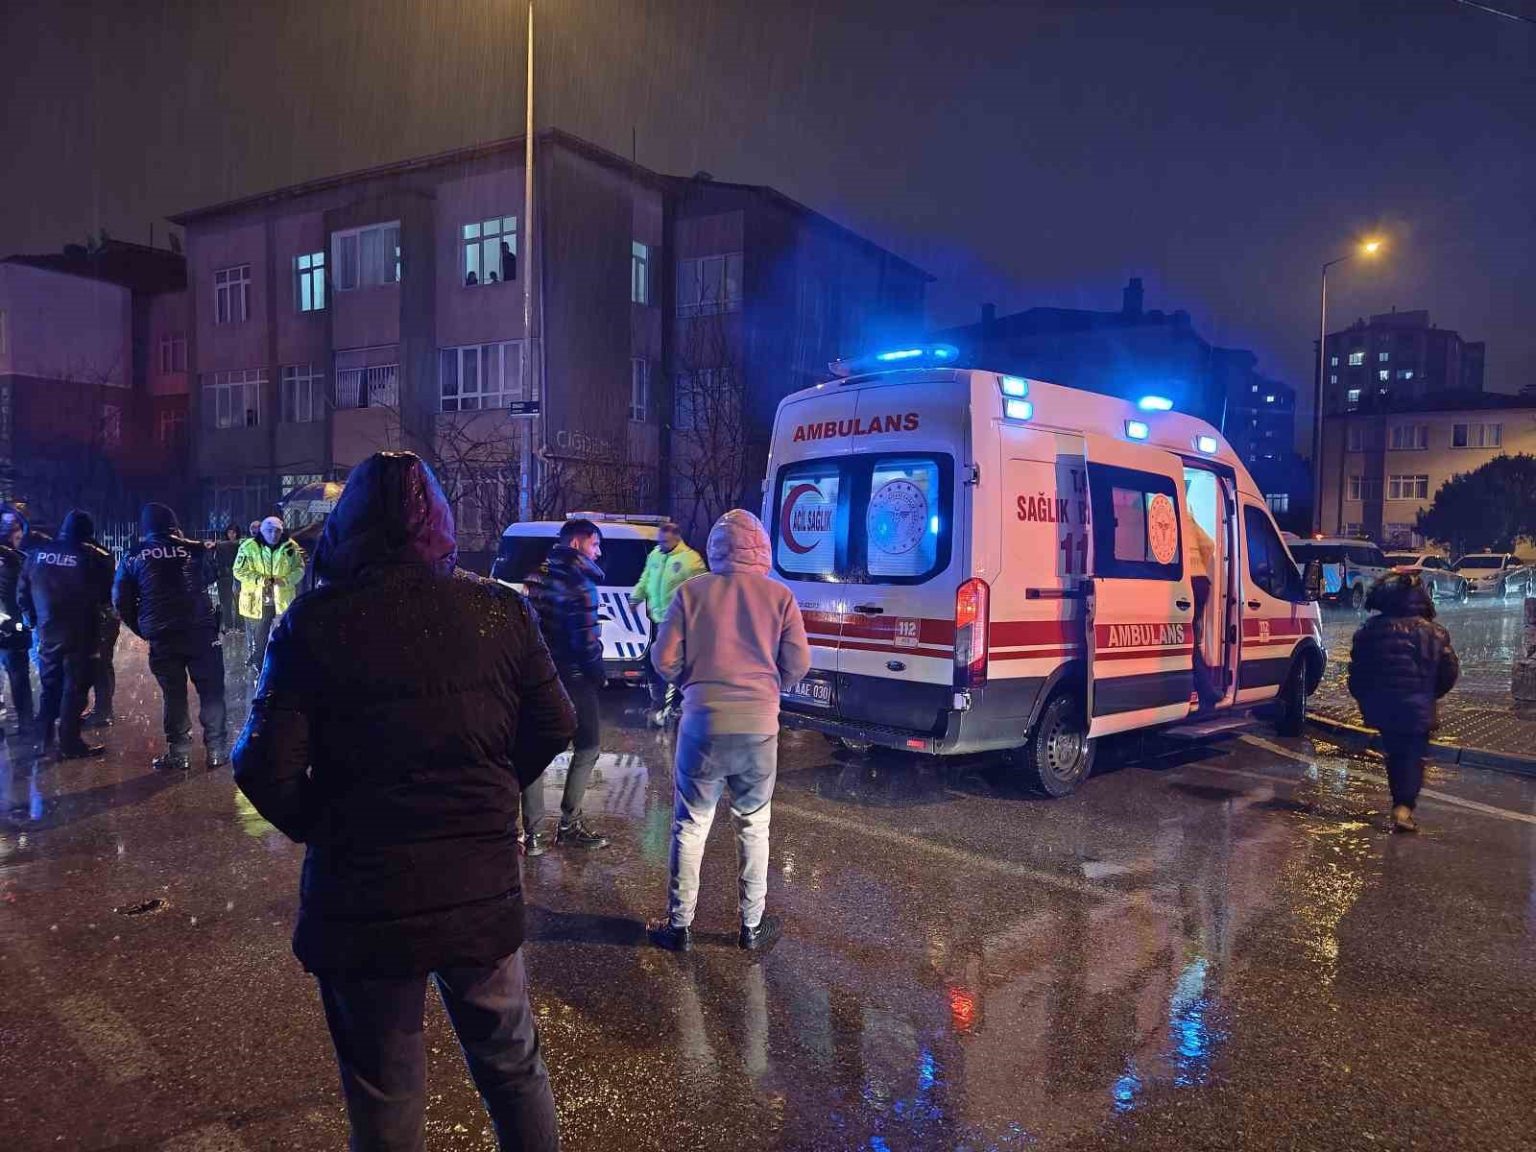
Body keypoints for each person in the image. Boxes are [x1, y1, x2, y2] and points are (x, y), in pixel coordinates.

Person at [232, 451, 573, 1152]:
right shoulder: (498, 610)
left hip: (364, 898)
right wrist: (489, 797)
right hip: (476, 888)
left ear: (346, 525)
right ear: (442, 523)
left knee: (386, 1091)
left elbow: (264, 766)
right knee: (511, 1065)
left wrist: (331, 826)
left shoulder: (315, 622)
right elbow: (555, 723)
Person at [646, 510, 810, 954]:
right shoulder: (780, 597)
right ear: (762, 549)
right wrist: (768, 688)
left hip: (702, 725)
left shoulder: (690, 593)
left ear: (717, 548)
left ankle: (679, 926)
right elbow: (798, 663)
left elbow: (663, 660)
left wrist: (692, 684)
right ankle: (752, 926)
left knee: (690, 826)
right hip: (759, 730)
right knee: (754, 826)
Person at [114, 503, 228, 771]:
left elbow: (121, 600)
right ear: (174, 525)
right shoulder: (194, 549)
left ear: (146, 528)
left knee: (174, 694)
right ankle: (216, 751)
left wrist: (142, 627)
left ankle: (179, 753)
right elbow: (211, 576)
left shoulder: (133, 555)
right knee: (211, 691)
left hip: (163, 635)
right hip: (201, 631)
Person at [521, 518, 610, 854]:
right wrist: (598, 674)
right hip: (573, 677)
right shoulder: (581, 585)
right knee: (588, 747)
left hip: (536, 675)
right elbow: (585, 644)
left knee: (532, 749)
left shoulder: (535, 575)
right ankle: (569, 825)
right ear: (577, 543)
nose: (598, 553)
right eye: (595, 544)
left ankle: (533, 835)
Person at [1348, 571, 1460, 833]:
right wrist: (1428, 694)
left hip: (1383, 707)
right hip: (1416, 707)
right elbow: (1449, 672)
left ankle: (1400, 803)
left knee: (1396, 754)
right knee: (1412, 756)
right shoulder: (1434, 632)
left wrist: (1367, 699)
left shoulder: (1369, 630)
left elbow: (1357, 673)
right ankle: (1403, 807)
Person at [18, 510, 113, 759]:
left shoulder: (37, 554)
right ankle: (70, 744)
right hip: (81, 634)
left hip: (48, 631)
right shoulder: (92, 557)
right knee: (75, 689)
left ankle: (43, 742)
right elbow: (105, 595)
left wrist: (35, 621)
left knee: (50, 686)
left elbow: (22, 592)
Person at [631, 521, 706, 727]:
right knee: (655, 664)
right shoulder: (655, 555)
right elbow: (646, 579)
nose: (661, 545)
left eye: (665, 541)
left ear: (677, 539)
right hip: (658, 620)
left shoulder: (691, 559)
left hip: (679, 623)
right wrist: (635, 597)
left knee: (671, 665)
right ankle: (661, 704)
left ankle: (670, 708)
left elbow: (703, 589)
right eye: (659, 541)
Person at [233, 515, 305, 674]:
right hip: (258, 601)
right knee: (259, 638)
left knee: (284, 635)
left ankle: (280, 666)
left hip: (283, 601)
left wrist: (286, 580)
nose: (274, 534)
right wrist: (260, 580)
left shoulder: (290, 546)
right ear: (262, 531)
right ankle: (259, 665)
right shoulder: (248, 547)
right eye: (269, 531)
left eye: (277, 531)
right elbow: (238, 571)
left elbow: (300, 568)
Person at [0, 511, 35, 734]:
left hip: (7, 625)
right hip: (13, 628)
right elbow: (27, 595)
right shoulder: (21, 559)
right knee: (19, 676)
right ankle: (26, 724)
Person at [1183, 505, 1219, 709]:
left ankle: (1206, 691)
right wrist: (1200, 567)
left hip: (1186, 582)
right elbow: (1208, 544)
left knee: (1187, 641)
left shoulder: (1156, 508)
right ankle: (1204, 690)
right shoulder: (1187, 515)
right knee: (1192, 638)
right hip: (1200, 582)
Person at [214, 523, 242, 633]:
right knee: (226, 602)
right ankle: (228, 625)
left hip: (237, 574)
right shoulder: (221, 545)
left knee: (239, 600)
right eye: (230, 532)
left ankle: (239, 625)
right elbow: (218, 560)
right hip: (225, 575)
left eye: (234, 532)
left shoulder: (241, 545)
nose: (232, 535)